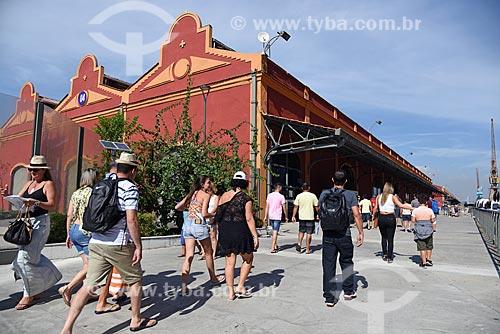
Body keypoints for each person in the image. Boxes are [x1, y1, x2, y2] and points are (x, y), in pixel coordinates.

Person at [61, 152, 157, 333]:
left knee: (89, 285)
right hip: (119, 244)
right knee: (135, 281)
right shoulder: (129, 188)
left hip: (96, 242)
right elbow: (131, 220)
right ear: (133, 170)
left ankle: (67, 328)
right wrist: (138, 245)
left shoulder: (102, 185)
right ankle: (136, 320)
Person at [4, 155, 62, 310]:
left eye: (35, 170)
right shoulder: (29, 183)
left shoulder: (48, 184)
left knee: (23, 260)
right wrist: (7, 195)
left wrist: (36, 202)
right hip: (27, 224)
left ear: (43, 170)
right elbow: (19, 199)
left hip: (40, 223)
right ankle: (47, 279)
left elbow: (52, 205)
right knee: (28, 259)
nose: (32, 172)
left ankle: (28, 294)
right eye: (30, 169)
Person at [59, 168, 119, 311]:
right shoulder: (93, 193)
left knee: (87, 263)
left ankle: (88, 293)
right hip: (85, 231)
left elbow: (69, 215)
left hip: (74, 229)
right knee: (91, 266)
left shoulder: (76, 193)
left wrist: (68, 234)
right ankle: (68, 288)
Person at [174, 175, 225, 296]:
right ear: (202, 184)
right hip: (199, 225)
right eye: (208, 182)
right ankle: (213, 278)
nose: (210, 184)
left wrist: (189, 209)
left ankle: (183, 287)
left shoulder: (192, 194)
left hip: (188, 225)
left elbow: (177, 207)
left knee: (189, 255)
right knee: (208, 252)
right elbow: (204, 213)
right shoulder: (205, 195)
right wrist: (213, 214)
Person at [319, 170, 363, 308]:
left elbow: (320, 210)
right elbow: (357, 215)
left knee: (328, 265)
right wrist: (361, 232)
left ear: (332, 179)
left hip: (328, 234)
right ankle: (348, 291)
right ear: (345, 181)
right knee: (346, 262)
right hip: (344, 233)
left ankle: (329, 298)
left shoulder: (325, 194)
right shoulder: (350, 195)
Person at [214, 171, 259, 300]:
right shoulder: (245, 199)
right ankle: (240, 286)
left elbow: (218, 216)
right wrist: (255, 236)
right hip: (240, 231)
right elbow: (249, 218)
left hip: (225, 230)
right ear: (245, 183)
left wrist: (218, 232)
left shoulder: (223, 196)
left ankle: (230, 293)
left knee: (229, 263)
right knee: (248, 258)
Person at [372, 182, 413, 263]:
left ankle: (384, 254)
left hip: (382, 218)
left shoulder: (378, 196)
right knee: (390, 239)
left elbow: (375, 208)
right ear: (391, 189)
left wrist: (373, 216)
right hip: (390, 218)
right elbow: (401, 205)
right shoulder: (393, 197)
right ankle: (390, 257)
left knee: (384, 237)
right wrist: (412, 208)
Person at [292, 183, 319, 254]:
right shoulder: (313, 196)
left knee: (301, 231)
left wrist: (293, 216)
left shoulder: (299, 196)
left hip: (302, 217)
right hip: (310, 217)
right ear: (309, 188)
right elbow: (316, 206)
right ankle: (307, 249)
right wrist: (318, 214)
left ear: (302, 188)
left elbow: (295, 207)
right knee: (309, 233)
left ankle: (299, 243)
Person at [412, 194, 436, 268]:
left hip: (419, 228)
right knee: (429, 245)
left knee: (422, 247)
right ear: (426, 202)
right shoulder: (429, 210)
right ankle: (428, 259)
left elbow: (413, 220)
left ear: (419, 202)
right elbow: (433, 220)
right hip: (428, 229)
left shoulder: (415, 210)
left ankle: (424, 262)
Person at [263, 182, 288, 253]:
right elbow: (284, 207)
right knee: (275, 231)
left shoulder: (269, 195)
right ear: (279, 187)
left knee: (274, 230)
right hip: (277, 215)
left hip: (271, 215)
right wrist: (286, 216)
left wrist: (265, 216)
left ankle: (275, 245)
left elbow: (267, 206)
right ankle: (272, 247)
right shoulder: (281, 196)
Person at [207, 184, 220, 258]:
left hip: (212, 217)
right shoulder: (205, 197)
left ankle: (214, 253)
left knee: (213, 236)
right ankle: (204, 251)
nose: (208, 191)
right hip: (205, 217)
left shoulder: (215, 197)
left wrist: (210, 214)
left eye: (209, 190)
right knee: (205, 236)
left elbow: (215, 207)